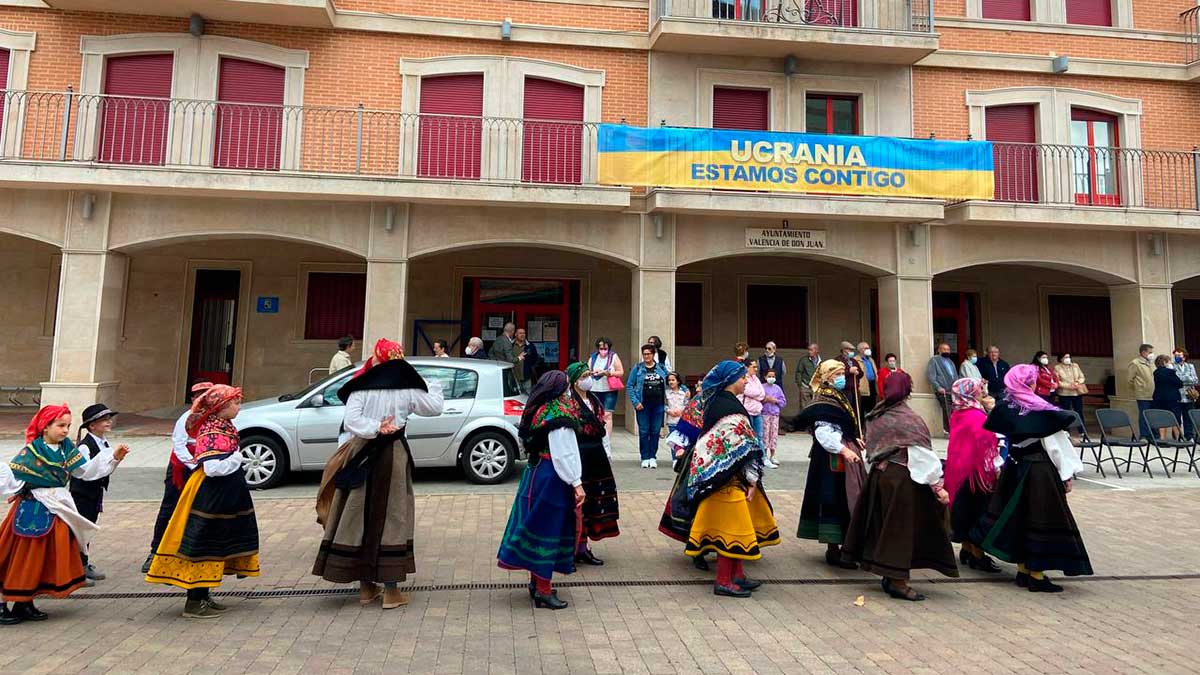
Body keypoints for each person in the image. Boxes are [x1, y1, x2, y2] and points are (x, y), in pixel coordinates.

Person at [313, 339, 444, 610]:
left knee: (359, 514)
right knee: (392, 515)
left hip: (360, 451)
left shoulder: (361, 388)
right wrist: (434, 384)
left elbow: (351, 421)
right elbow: (434, 407)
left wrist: (373, 427)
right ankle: (391, 592)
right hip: (393, 454)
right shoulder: (407, 388)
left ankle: (365, 588)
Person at [0, 405, 128, 623]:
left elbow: (86, 471)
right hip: (32, 509)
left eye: (68, 425)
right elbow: (13, 480)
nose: (65, 430)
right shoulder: (32, 452)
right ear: (45, 427)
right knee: (20, 556)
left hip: (57, 508)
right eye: (60, 425)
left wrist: (113, 458)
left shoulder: (67, 448)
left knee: (42, 557)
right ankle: (4, 605)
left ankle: (25, 602)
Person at [970, 365, 1092, 592]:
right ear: (1030, 384)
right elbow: (1055, 446)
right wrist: (1067, 474)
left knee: (1018, 517)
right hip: (1039, 472)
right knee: (1040, 518)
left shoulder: (1005, 407)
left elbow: (999, 438)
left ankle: (1024, 570)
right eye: (1034, 381)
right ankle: (1036, 575)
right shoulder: (1041, 411)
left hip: (1014, 467)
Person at [842, 372, 958, 601]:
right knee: (900, 531)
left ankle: (888, 575)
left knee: (883, 525)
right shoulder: (910, 420)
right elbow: (921, 455)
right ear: (908, 391)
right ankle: (897, 581)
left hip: (879, 477)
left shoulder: (877, 413)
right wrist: (938, 486)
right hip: (902, 479)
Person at [145, 385, 259, 618]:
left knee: (215, 542)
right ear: (221, 406)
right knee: (203, 541)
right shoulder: (212, 432)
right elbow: (213, 468)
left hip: (222, 494)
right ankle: (194, 601)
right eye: (235, 402)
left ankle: (204, 595)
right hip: (211, 495)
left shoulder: (223, 426)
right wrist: (237, 458)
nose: (239, 406)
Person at [678, 361, 779, 597]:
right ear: (731, 380)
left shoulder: (722, 401)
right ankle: (724, 580)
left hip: (723, 475)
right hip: (725, 479)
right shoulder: (728, 406)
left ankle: (737, 574)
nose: (746, 380)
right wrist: (751, 478)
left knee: (738, 526)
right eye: (743, 377)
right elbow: (743, 444)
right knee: (731, 529)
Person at [497, 371, 586, 610]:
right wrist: (576, 482)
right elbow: (564, 452)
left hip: (534, 474)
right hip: (553, 477)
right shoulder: (560, 414)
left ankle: (536, 584)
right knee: (549, 529)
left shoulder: (538, 409)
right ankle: (544, 591)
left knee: (534, 524)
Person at [793, 360, 866, 569]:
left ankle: (847, 546)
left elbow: (841, 425)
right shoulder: (824, 401)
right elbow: (823, 432)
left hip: (842, 453)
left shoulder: (837, 396)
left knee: (844, 497)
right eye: (838, 374)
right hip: (830, 460)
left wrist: (853, 437)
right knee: (833, 497)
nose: (842, 377)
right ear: (827, 376)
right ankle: (834, 550)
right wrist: (843, 449)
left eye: (842, 373)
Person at [142, 380, 214, 574]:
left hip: (205, 467)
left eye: (208, 395)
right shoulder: (186, 418)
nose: (204, 400)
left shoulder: (214, 418)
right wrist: (194, 464)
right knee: (169, 508)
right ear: (193, 399)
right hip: (182, 468)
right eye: (200, 396)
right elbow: (179, 445)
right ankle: (155, 552)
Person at [943, 378, 1003, 574]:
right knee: (979, 511)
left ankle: (967, 548)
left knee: (964, 510)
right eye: (978, 389)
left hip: (958, 469)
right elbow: (987, 443)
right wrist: (995, 468)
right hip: (976, 473)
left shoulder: (957, 413)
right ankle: (978, 554)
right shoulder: (977, 416)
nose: (981, 392)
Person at [565, 363, 619, 566]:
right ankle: (569, 550)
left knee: (592, 504)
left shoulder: (595, 400)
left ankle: (583, 548)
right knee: (575, 505)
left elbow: (603, 426)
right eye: (584, 375)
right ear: (574, 380)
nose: (588, 379)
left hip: (596, 457)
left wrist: (607, 451)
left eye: (589, 374)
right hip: (578, 456)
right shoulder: (569, 402)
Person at [70, 404, 127, 586]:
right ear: (91, 425)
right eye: (103, 419)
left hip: (94, 493)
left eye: (108, 418)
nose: (108, 421)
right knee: (80, 531)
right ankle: (76, 568)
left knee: (88, 529)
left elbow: (104, 469)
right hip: (82, 495)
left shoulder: (102, 442)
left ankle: (83, 564)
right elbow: (89, 472)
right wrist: (114, 458)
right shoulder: (85, 447)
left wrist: (116, 458)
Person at [659, 386, 713, 572]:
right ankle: (696, 547)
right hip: (698, 462)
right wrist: (680, 450)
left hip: (721, 463)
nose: (744, 381)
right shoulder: (699, 403)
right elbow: (682, 433)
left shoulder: (730, 402)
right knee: (695, 503)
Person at [627, 344, 669, 468]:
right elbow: (630, 385)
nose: (646, 356)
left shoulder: (661, 368)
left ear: (653, 354)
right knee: (644, 431)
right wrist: (635, 402)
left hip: (658, 405)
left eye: (648, 354)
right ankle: (644, 457)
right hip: (643, 405)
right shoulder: (638, 368)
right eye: (644, 354)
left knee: (655, 431)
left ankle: (652, 456)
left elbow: (672, 380)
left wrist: (683, 388)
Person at [587, 337, 624, 437]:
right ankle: (596, 436)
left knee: (607, 415)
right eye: (601, 348)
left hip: (609, 390)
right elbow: (587, 371)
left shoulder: (613, 357)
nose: (603, 350)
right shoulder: (593, 357)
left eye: (605, 348)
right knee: (595, 413)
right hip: (594, 389)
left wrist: (608, 373)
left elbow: (620, 372)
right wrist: (593, 372)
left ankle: (606, 439)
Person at [926, 343, 958, 434]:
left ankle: (954, 429)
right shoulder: (934, 360)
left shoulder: (951, 362)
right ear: (939, 350)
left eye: (948, 349)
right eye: (944, 349)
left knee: (954, 410)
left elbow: (955, 375)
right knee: (947, 410)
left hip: (953, 391)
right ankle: (949, 430)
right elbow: (931, 376)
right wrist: (938, 387)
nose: (946, 351)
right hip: (943, 390)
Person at [1127, 344, 1156, 439]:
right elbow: (1130, 380)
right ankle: (1144, 435)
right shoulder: (1135, 363)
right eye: (1150, 352)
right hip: (1143, 394)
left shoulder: (1150, 363)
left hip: (1153, 394)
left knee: (1152, 415)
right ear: (1143, 352)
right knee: (1143, 415)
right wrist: (1139, 388)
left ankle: (1153, 435)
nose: (1152, 354)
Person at [761, 369, 787, 469]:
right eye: (769, 376)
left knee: (773, 435)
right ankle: (764, 455)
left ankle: (772, 455)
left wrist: (775, 400)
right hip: (764, 414)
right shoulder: (762, 387)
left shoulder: (778, 388)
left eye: (773, 376)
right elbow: (759, 399)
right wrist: (766, 399)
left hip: (775, 415)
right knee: (765, 435)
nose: (771, 378)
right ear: (765, 377)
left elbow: (783, 402)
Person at [1152, 354, 1184, 434]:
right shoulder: (1170, 372)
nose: (1171, 363)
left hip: (1159, 398)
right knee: (1175, 419)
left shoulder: (1156, 372)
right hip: (1172, 399)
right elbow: (1179, 383)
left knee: (1162, 419)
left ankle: (1162, 439)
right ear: (1164, 362)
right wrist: (1173, 371)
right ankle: (1178, 439)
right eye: (1169, 361)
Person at [1174, 347, 1198, 439]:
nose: (1177, 357)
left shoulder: (1190, 366)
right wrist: (1187, 378)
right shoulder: (1172, 366)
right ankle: (1179, 437)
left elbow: (1195, 380)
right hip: (1177, 396)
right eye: (1175, 355)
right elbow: (1175, 380)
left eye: (1179, 355)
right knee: (1177, 418)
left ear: (1184, 357)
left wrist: (1183, 379)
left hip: (1189, 396)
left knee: (1188, 417)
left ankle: (1189, 436)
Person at [739, 361, 766, 442]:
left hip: (757, 411)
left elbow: (763, 394)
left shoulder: (755, 378)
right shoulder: (743, 378)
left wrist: (756, 394)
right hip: (747, 411)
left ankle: (762, 455)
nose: (756, 369)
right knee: (748, 436)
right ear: (747, 367)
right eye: (753, 367)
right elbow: (746, 391)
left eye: (756, 367)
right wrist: (757, 393)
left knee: (759, 436)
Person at [1054, 353, 1087, 419]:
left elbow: (1082, 377)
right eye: (1065, 357)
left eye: (1068, 357)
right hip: (1064, 394)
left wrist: (1077, 382)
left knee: (1079, 411)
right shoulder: (1057, 367)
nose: (1068, 359)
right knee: (1066, 412)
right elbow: (1057, 381)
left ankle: (1081, 428)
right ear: (1061, 359)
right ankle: (1066, 428)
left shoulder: (1075, 365)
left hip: (1077, 392)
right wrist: (1069, 386)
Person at [513, 327, 541, 394]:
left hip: (526, 377)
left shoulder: (530, 346)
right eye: (520, 333)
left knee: (528, 395)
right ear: (515, 334)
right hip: (514, 377)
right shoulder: (510, 345)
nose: (522, 335)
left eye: (524, 333)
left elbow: (535, 359)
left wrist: (529, 368)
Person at [856, 341, 879, 415]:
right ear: (860, 350)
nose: (869, 349)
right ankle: (863, 425)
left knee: (872, 408)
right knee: (862, 409)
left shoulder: (871, 360)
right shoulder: (856, 360)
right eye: (866, 348)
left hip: (872, 385)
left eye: (868, 348)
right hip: (862, 387)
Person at [796, 342, 821, 409]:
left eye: (811, 350)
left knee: (816, 406)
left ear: (816, 350)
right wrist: (800, 385)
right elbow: (798, 372)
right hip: (805, 386)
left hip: (816, 388)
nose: (809, 351)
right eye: (808, 349)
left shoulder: (821, 362)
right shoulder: (803, 360)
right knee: (804, 407)